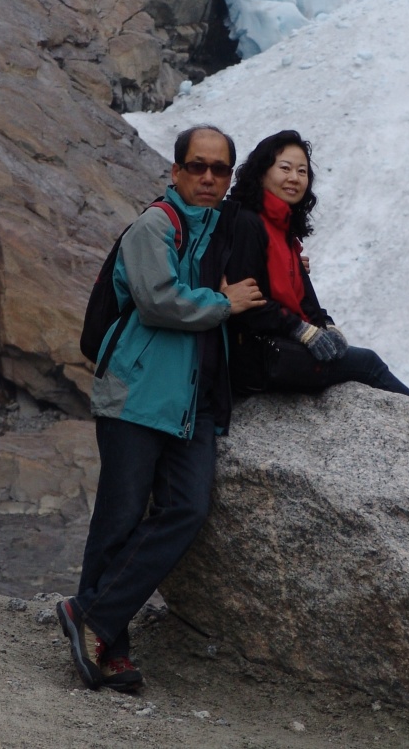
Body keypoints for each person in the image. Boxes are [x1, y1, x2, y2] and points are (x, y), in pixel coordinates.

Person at [56, 124, 265, 692]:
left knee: (187, 509)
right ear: (175, 172)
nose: (207, 177)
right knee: (119, 520)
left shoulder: (221, 229)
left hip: (191, 403)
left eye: (219, 169)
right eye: (196, 166)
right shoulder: (154, 226)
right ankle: (109, 646)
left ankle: (91, 615)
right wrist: (224, 301)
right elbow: (158, 302)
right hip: (138, 396)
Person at [224, 129, 409, 443]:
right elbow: (247, 300)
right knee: (367, 364)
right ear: (262, 173)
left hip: (276, 350)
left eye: (302, 171)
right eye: (285, 168)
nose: (294, 178)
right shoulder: (250, 223)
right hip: (260, 359)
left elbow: (306, 299)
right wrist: (301, 330)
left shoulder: (282, 229)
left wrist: (325, 325)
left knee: (358, 360)